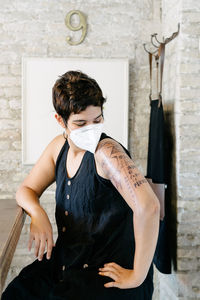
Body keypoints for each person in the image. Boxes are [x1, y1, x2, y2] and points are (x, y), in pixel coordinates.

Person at [1, 70, 160, 300]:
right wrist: (37, 213)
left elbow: (149, 207)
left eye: (97, 120)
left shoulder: (107, 152)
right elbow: (26, 190)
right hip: (68, 262)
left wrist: (138, 275)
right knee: (16, 294)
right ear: (60, 120)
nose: (91, 129)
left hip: (103, 273)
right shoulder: (59, 146)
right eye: (80, 123)